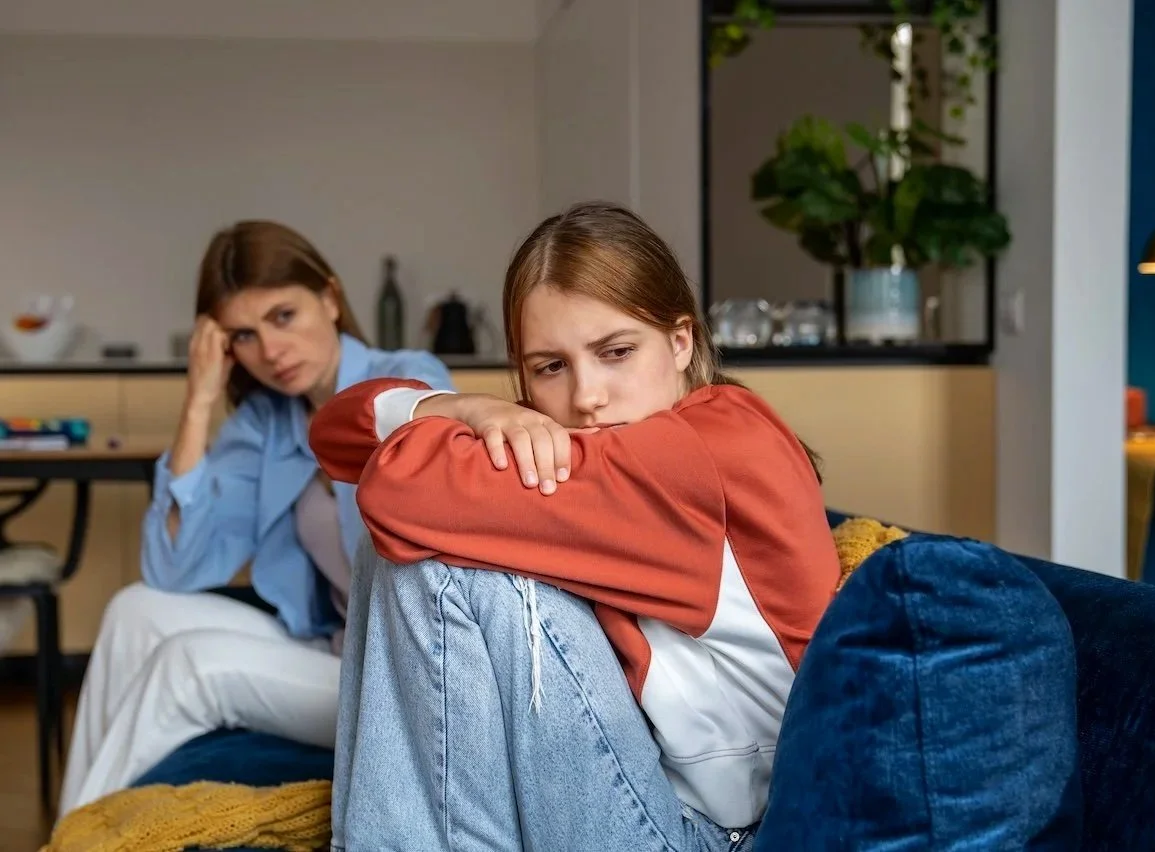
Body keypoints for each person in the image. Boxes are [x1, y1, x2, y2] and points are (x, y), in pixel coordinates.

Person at [309, 201, 841, 851]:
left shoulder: (705, 450)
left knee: (443, 561)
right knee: (410, 547)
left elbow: (394, 493)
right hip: (664, 803)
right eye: (550, 367)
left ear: (682, 341)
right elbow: (333, 435)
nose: (586, 396)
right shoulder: (604, 453)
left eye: (616, 352)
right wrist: (462, 406)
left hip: (720, 837)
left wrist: (459, 426)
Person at [58, 220, 454, 817]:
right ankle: (81, 829)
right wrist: (197, 403)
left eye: (283, 316)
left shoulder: (407, 379)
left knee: (187, 664)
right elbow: (172, 568)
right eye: (244, 334)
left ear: (329, 297)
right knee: (134, 610)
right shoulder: (268, 423)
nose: (270, 351)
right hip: (325, 648)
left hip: (397, 679)